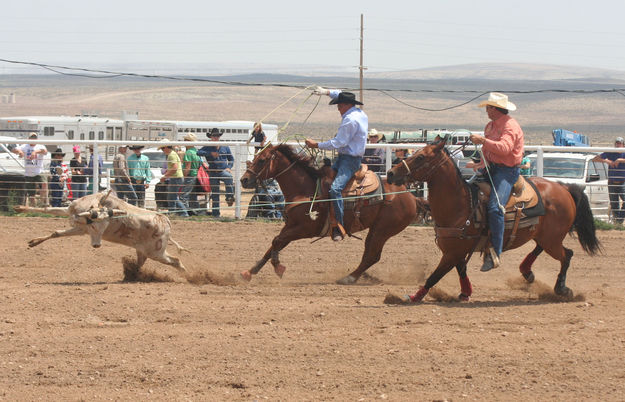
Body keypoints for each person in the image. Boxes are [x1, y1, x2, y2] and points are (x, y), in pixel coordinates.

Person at [467, 92, 524, 272]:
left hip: (507, 172)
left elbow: (505, 149)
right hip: (491, 168)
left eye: (488, 107)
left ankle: (495, 253)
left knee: (495, 207)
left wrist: (483, 140)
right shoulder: (490, 126)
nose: (486, 111)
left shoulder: (510, 126)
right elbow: (488, 151)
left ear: (495, 108)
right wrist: (479, 164)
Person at [305, 88, 368, 241]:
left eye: (339, 105)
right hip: (345, 157)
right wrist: (325, 91)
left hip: (350, 160)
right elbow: (340, 93)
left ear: (347, 105)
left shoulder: (350, 120)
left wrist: (316, 145)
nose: (338, 108)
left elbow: (339, 142)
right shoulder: (359, 113)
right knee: (324, 180)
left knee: (335, 190)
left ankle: (339, 225)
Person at [198, 128, 235, 218]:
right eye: (214, 136)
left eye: (217, 136)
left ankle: (229, 197)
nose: (216, 137)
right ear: (211, 137)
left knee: (229, 178)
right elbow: (198, 152)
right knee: (215, 194)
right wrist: (210, 153)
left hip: (222, 171)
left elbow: (231, 159)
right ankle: (216, 214)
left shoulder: (225, 147)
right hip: (213, 173)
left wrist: (229, 167)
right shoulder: (208, 146)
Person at [592, 136, 625, 224]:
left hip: (622, 183)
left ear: (623, 145)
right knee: (614, 204)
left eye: (620, 143)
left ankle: (619, 219)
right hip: (611, 182)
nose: (618, 145)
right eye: (617, 143)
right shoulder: (610, 152)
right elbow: (595, 159)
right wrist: (607, 161)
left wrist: (620, 160)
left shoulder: (624, 153)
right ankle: (617, 223)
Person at [11, 132, 48, 207]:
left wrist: (35, 152)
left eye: (34, 138)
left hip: (39, 171)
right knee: (31, 193)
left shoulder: (40, 146)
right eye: (32, 138)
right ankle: (33, 208)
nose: (33, 139)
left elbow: (45, 151)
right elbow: (13, 149)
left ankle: (43, 202)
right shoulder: (24, 146)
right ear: (29, 139)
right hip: (28, 172)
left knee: (44, 184)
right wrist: (20, 152)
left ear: (37, 139)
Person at [159, 142, 188, 217]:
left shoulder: (171, 155)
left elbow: (174, 168)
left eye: (162, 148)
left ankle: (179, 213)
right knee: (172, 197)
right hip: (176, 177)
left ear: (166, 147)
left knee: (172, 197)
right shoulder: (173, 154)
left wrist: (165, 176)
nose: (163, 150)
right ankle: (179, 213)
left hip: (176, 178)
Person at [181, 133, 202, 215]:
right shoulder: (195, 151)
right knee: (192, 195)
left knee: (184, 195)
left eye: (185, 140)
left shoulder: (188, 152)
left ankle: (184, 212)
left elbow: (187, 167)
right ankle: (197, 211)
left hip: (189, 176)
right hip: (195, 175)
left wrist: (183, 176)